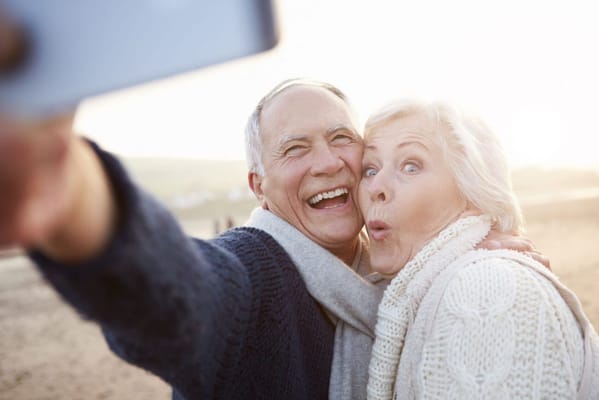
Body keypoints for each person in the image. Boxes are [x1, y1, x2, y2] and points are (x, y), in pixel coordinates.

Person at [0, 78, 547, 400]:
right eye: (295, 149)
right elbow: (177, 295)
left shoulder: (397, 276)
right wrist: (70, 194)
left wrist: (456, 255)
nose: (328, 162)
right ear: (259, 188)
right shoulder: (253, 274)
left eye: (341, 139)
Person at [358, 99, 599, 399]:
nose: (374, 187)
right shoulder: (408, 296)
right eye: (369, 169)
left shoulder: (485, 287)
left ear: (472, 191)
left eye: (411, 165)